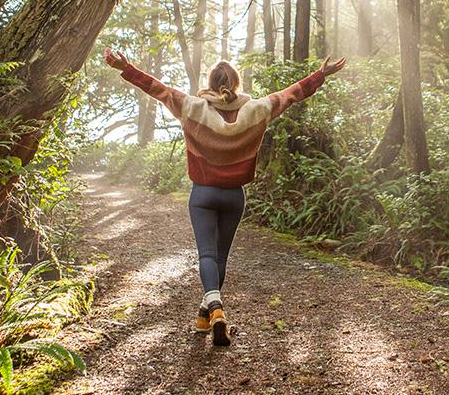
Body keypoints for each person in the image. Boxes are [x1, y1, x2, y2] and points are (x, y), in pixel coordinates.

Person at [104, 47, 346, 346]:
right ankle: (206, 316)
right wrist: (321, 74)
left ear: (211, 81)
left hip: (203, 194)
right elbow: (291, 94)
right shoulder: (257, 109)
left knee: (206, 255)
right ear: (236, 84)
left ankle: (215, 308)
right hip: (234, 197)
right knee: (220, 257)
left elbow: (157, 89)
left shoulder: (192, 107)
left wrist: (125, 68)